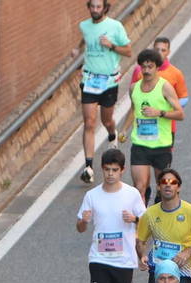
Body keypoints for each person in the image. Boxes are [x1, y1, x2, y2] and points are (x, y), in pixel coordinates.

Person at [77, 150, 148, 283]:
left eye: (114, 170)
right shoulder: (92, 195)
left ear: (122, 170)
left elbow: (147, 222)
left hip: (123, 258)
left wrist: (133, 219)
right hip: (98, 257)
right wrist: (84, 221)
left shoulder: (131, 194)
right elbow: (80, 227)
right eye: (107, 169)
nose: (110, 174)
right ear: (102, 168)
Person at [137, 170, 191, 283]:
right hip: (158, 269)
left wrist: (189, 251)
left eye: (172, 182)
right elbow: (140, 240)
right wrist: (142, 255)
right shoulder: (149, 214)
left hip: (182, 271)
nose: (168, 185)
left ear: (178, 187)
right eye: (164, 182)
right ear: (158, 187)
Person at [79, 0, 133, 184]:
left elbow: (128, 51)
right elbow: (85, 40)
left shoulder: (115, 27)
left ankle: (112, 134)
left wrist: (111, 45)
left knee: (106, 120)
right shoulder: (84, 26)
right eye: (92, 7)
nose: (95, 10)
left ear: (105, 8)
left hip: (108, 82)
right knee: (89, 123)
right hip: (89, 81)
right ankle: (88, 166)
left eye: (98, 7)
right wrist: (76, 51)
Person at [125, 49, 186, 205]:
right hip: (140, 144)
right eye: (143, 67)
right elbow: (133, 109)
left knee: (163, 189)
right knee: (139, 188)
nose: (146, 71)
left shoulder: (165, 88)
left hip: (161, 145)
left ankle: (159, 218)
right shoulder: (134, 88)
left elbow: (180, 114)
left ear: (157, 67)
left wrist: (159, 112)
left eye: (150, 67)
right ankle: (141, 223)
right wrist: (124, 129)